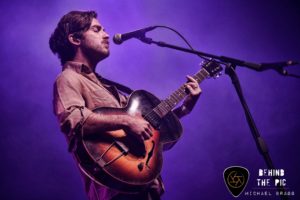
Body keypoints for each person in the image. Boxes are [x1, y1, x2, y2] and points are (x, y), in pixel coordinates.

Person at [49, 10, 201, 200]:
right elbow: (73, 120)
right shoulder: (68, 78)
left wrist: (183, 110)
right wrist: (127, 121)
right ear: (75, 39)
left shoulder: (108, 87)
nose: (106, 35)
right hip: (115, 191)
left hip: (145, 189)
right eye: (97, 30)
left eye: (104, 29)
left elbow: (150, 133)